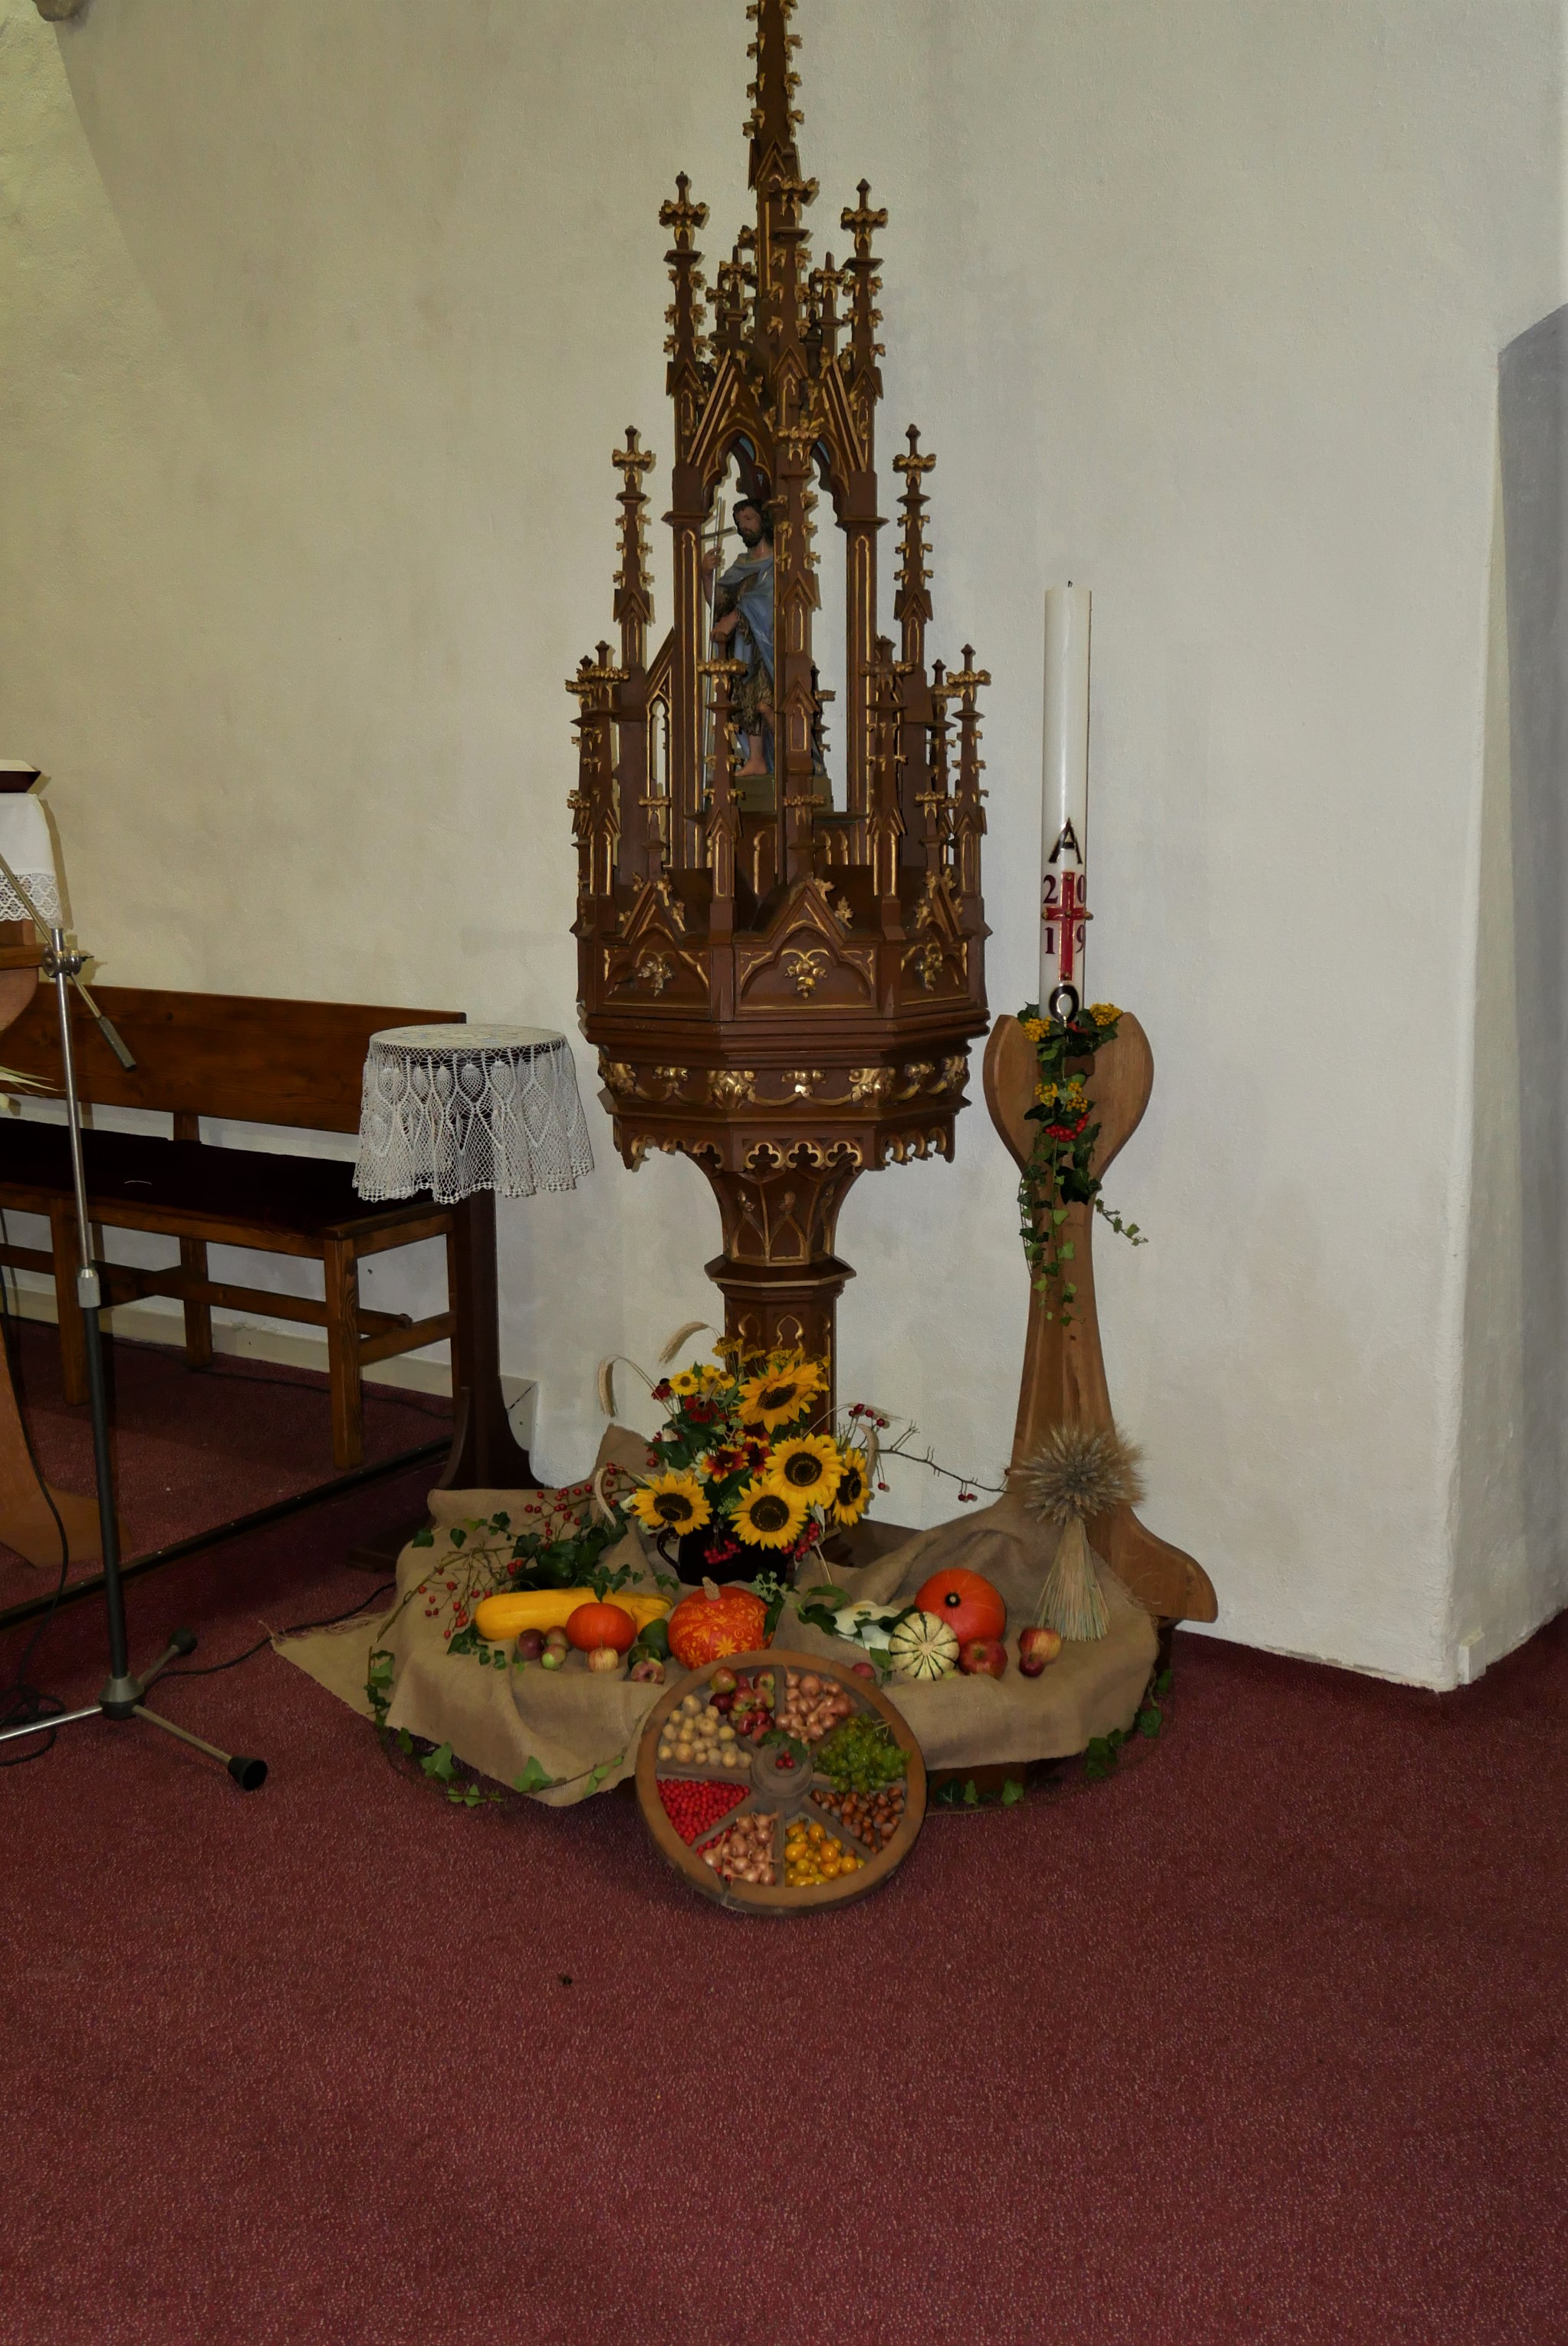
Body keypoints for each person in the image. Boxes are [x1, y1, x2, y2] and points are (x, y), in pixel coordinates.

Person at [702, 497, 774, 780]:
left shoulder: (778, 563)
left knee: (765, 705)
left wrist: (736, 616)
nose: (743, 526)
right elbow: (718, 609)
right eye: (739, 522)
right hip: (742, 649)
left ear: (763, 521)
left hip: (767, 648)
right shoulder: (741, 565)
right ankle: (756, 759)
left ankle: (789, 757)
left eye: (748, 519)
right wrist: (706, 575)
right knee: (747, 701)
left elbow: (767, 601)